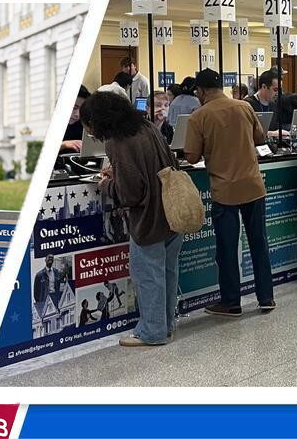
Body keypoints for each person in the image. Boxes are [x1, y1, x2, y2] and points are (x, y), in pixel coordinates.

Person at [84, 90, 183, 346]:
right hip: (172, 211)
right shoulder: (146, 125)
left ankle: (152, 332)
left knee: (148, 277)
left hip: (148, 220)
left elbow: (129, 193)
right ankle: (166, 325)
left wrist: (106, 183)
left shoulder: (117, 142)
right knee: (168, 273)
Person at [184, 69, 275, 316]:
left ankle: (231, 302)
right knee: (259, 242)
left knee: (226, 248)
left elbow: (191, 156)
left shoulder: (198, 117)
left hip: (224, 191)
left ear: (200, 91)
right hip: (253, 186)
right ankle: (266, 297)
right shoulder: (244, 107)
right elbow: (260, 137)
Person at [61, 85, 89, 153]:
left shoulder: (83, 123)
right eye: (74, 108)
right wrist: (63, 144)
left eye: (81, 109)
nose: (78, 115)